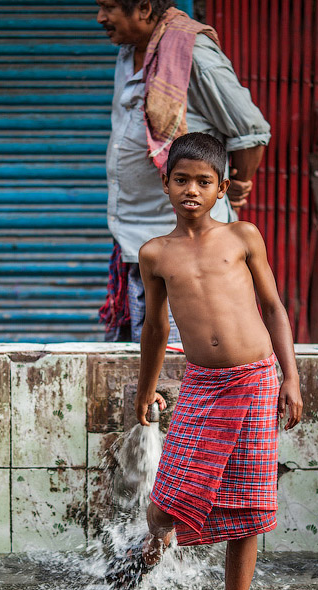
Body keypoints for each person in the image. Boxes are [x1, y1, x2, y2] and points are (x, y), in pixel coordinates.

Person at [134, 133, 302, 590]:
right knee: (164, 506)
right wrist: (146, 390)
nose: (191, 190)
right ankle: (155, 539)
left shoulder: (243, 236)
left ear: (221, 188)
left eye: (203, 182)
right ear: (166, 184)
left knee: (247, 507)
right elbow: (156, 330)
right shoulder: (155, 254)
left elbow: (274, 310)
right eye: (181, 180)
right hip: (203, 387)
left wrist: (292, 379)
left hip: (255, 380)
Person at [95, 0, 271, 344]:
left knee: (184, 354)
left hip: (185, 246)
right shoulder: (129, 50)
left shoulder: (193, 53)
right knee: (147, 351)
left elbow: (252, 130)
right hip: (136, 236)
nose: (100, 18)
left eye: (109, 7)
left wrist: (238, 183)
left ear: (144, 8)